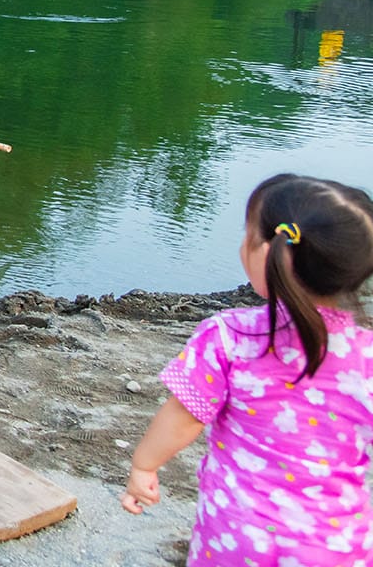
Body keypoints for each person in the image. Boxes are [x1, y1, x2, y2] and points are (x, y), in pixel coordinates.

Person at [120, 173, 373, 565]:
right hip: (335, 547)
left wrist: (144, 465)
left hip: (235, 540)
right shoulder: (367, 359)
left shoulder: (229, 337)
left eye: (248, 234)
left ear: (274, 254)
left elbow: (185, 417)